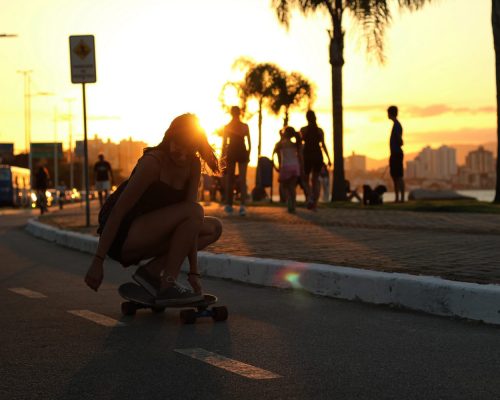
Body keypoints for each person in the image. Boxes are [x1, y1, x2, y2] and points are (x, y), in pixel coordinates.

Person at [84, 114, 223, 305]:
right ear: (169, 138)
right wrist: (98, 261)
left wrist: (193, 271)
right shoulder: (152, 163)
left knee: (213, 228)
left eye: (189, 149)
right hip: (125, 237)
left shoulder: (193, 164)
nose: (182, 155)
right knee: (195, 211)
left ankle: (151, 273)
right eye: (178, 146)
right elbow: (118, 211)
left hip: (152, 235)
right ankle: (168, 284)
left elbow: (192, 224)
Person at [222, 106, 251, 216]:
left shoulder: (228, 126)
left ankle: (230, 204)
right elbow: (249, 143)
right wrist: (248, 154)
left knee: (230, 179)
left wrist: (222, 157)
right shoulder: (244, 126)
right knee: (241, 179)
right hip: (240, 151)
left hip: (233, 151)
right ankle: (241, 206)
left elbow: (224, 143)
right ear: (239, 113)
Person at [300, 110, 331, 211]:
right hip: (318, 155)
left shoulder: (303, 130)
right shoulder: (319, 131)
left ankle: (309, 198)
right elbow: (323, 145)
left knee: (305, 179)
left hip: (308, 156)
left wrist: (299, 157)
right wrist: (329, 158)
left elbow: (300, 145)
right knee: (315, 179)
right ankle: (315, 204)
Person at [273, 127, 303, 213]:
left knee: (285, 187)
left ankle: (289, 203)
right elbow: (300, 157)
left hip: (285, 167)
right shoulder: (296, 144)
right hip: (295, 167)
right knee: (292, 188)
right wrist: (301, 167)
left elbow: (274, 154)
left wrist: (275, 166)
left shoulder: (280, 144)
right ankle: (292, 205)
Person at [387, 105, 405, 203]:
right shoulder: (396, 125)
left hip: (397, 154)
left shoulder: (397, 125)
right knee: (394, 176)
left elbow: (400, 140)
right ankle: (397, 198)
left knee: (398, 176)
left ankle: (401, 198)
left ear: (391, 113)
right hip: (394, 154)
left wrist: (399, 142)